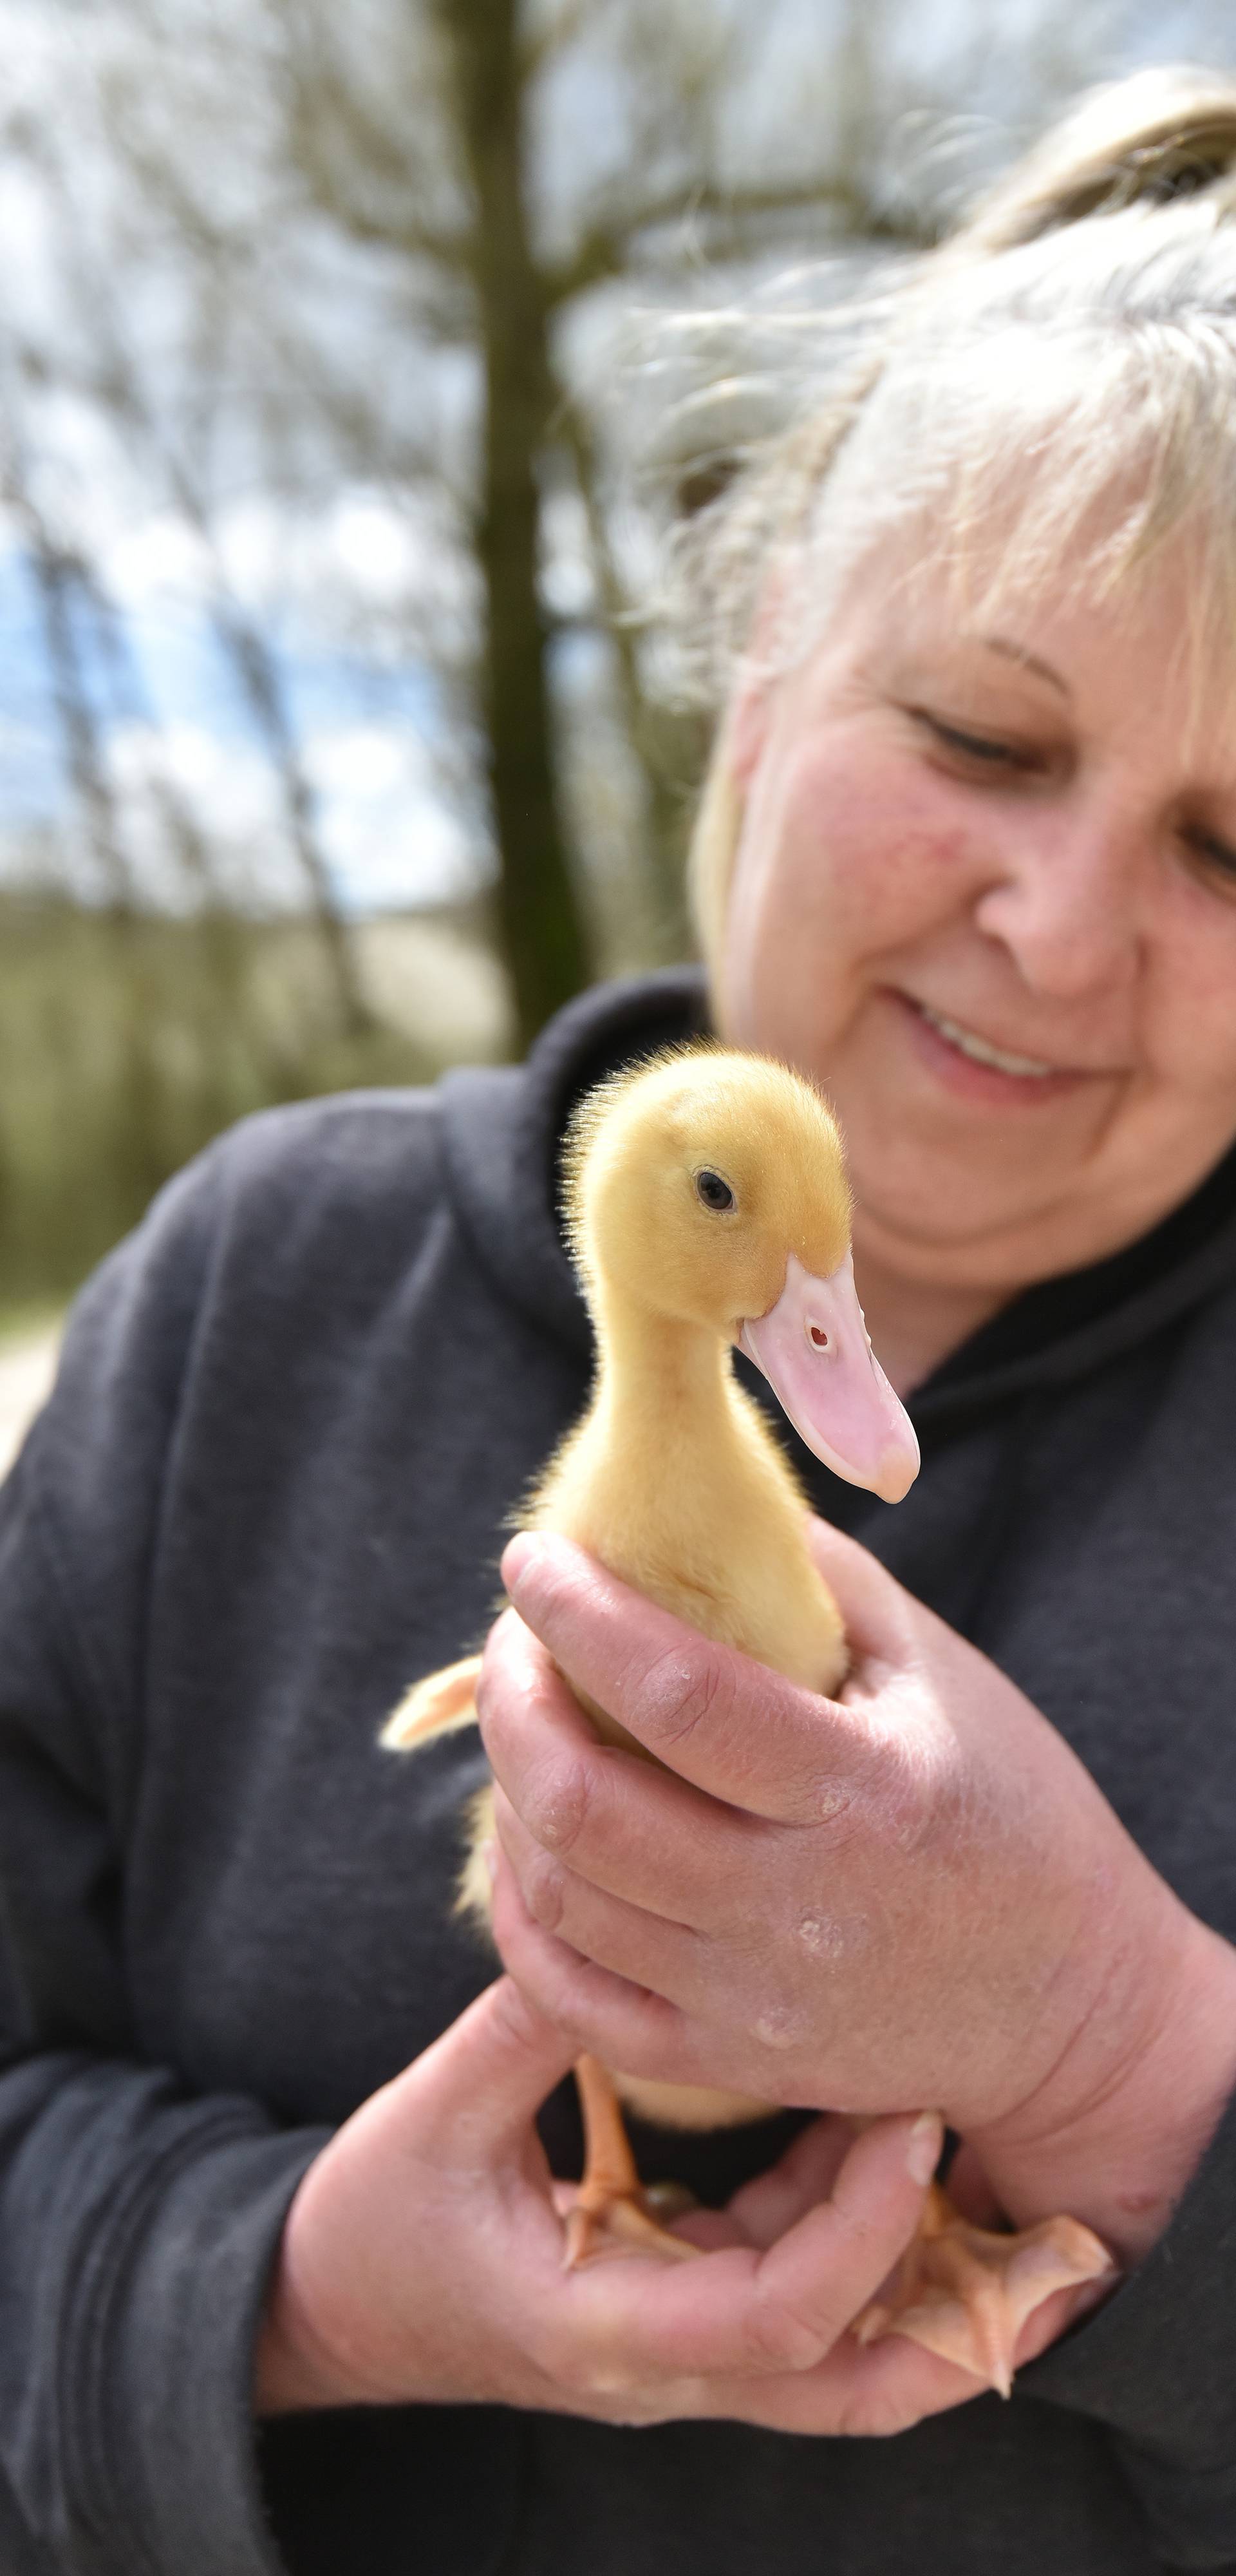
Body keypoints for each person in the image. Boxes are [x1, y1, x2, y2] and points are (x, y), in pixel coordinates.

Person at [5, 61, 1236, 2576]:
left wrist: (1120, 2057)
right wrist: (292, 2296)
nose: (1063, 927)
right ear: (770, 659)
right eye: (984, 736)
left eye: (1235, 844)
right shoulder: (256, 1300)